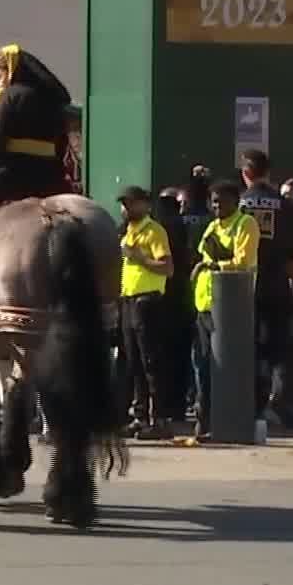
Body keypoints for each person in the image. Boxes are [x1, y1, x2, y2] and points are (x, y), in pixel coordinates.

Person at [237, 149, 293, 430]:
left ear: (246, 174)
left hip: (243, 288)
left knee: (249, 349)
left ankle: (252, 406)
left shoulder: (238, 205)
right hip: (278, 285)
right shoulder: (285, 204)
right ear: (268, 172)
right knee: (279, 350)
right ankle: (279, 404)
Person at [0, 45, 74, 231]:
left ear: (11, 70)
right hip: (50, 178)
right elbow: (62, 144)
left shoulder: (10, 96)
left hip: (9, 177)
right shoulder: (53, 99)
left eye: (0, 72)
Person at [190, 180, 259, 442]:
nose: (216, 206)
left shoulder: (245, 224)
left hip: (231, 306)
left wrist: (213, 265)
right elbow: (204, 256)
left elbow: (242, 262)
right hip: (205, 305)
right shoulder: (212, 227)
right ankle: (204, 419)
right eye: (213, 201)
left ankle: (225, 421)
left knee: (227, 366)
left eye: (221, 201)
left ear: (235, 201)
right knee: (203, 366)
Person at [116, 186, 174, 440]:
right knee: (134, 363)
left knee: (151, 362)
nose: (127, 209)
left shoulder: (154, 231)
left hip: (148, 301)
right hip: (129, 301)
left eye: (133, 203)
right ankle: (140, 416)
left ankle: (159, 418)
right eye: (125, 204)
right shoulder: (127, 232)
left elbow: (167, 268)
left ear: (146, 206)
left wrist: (139, 258)